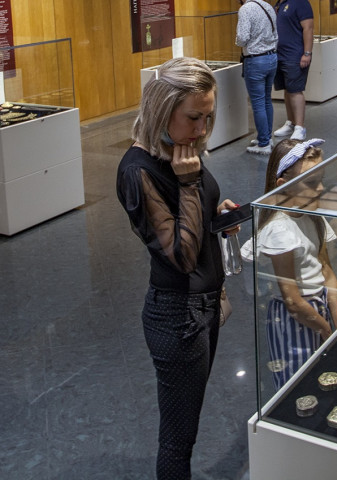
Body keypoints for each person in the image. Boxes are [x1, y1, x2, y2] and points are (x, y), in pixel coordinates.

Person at [116, 57, 239, 479]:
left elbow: (193, 218)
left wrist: (215, 209)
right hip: (177, 315)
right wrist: (189, 185)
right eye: (194, 118)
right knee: (178, 440)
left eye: (208, 117)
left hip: (204, 306)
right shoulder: (138, 170)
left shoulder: (181, 150)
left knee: (189, 424)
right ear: (161, 109)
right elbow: (181, 257)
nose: (202, 130)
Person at [245, 138, 337, 389]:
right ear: (284, 186)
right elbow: (292, 300)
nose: (320, 188)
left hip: (317, 310)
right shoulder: (280, 230)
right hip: (294, 322)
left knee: (322, 377)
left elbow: (327, 271)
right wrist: (327, 330)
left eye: (321, 179)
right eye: (311, 182)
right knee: (298, 383)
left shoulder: (313, 217)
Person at [236, 0, 279, 155]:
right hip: (272, 57)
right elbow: (275, 34)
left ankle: (264, 144)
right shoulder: (268, 6)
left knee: (258, 103)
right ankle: (267, 137)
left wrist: (238, 42)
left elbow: (242, 37)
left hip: (255, 60)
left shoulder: (245, 9)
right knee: (267, 100)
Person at [272, 0, 314, 141]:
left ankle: (300, 127)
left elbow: (308, 28)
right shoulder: (281, 3)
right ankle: (291, 123)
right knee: (287, 89)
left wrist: (307, 53)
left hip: (295, 55)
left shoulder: (301, 2)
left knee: (295, 91)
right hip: (280, 55)